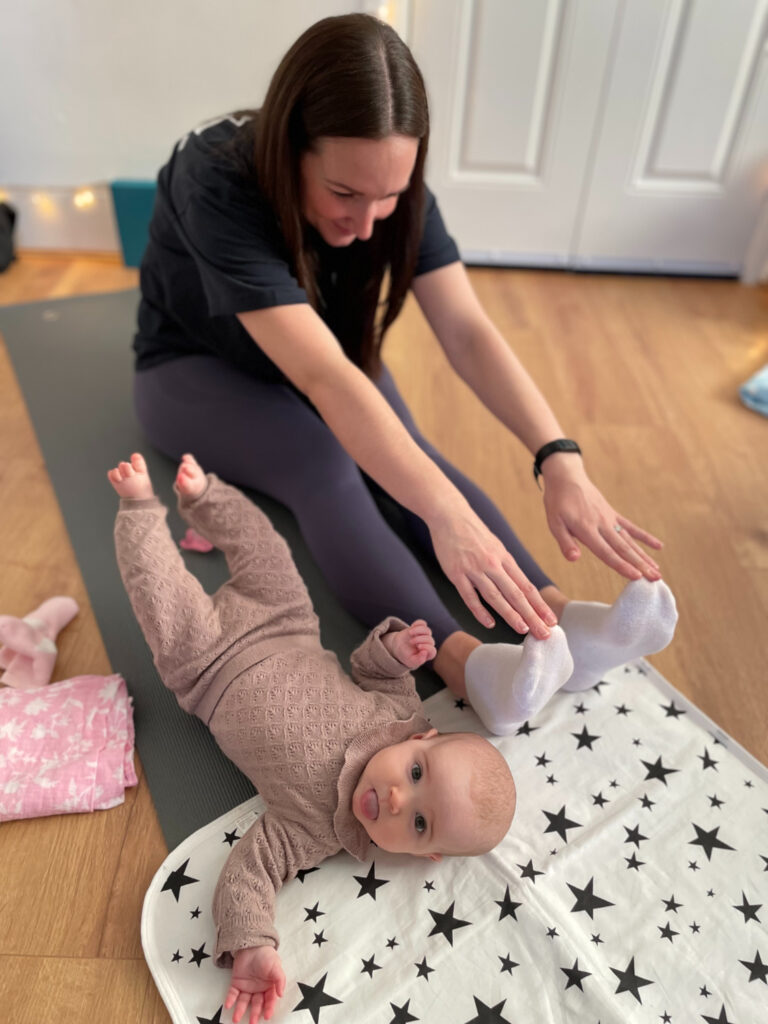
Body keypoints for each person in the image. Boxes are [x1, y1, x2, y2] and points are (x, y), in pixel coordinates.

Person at [133, 12, 672, 710]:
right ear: (290, 146)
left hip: (321, 354)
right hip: (193, 368)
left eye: (388, 196)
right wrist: (444, 514)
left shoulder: (393, 190)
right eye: (345, 194)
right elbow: (325, 379)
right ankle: (468, 667)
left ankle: (560, 618)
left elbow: (468, 331)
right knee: (325, 465)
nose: (366, 225)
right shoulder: (213, 180)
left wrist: (558, 456)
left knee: (410, 458)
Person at [107, 452, 518, 1024]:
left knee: (161, 593)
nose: (398, 798)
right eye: (417, 773)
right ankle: (206, 498)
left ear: (425, 854)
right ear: (423, 736)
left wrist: (253, 944)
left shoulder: (315, 830)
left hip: (203, 667)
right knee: (269, 553)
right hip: (287, 623)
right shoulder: (398, 715)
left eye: (418, 821)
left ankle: (139, 509)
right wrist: (396, 649)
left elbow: (250, 873)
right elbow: (373, 668)